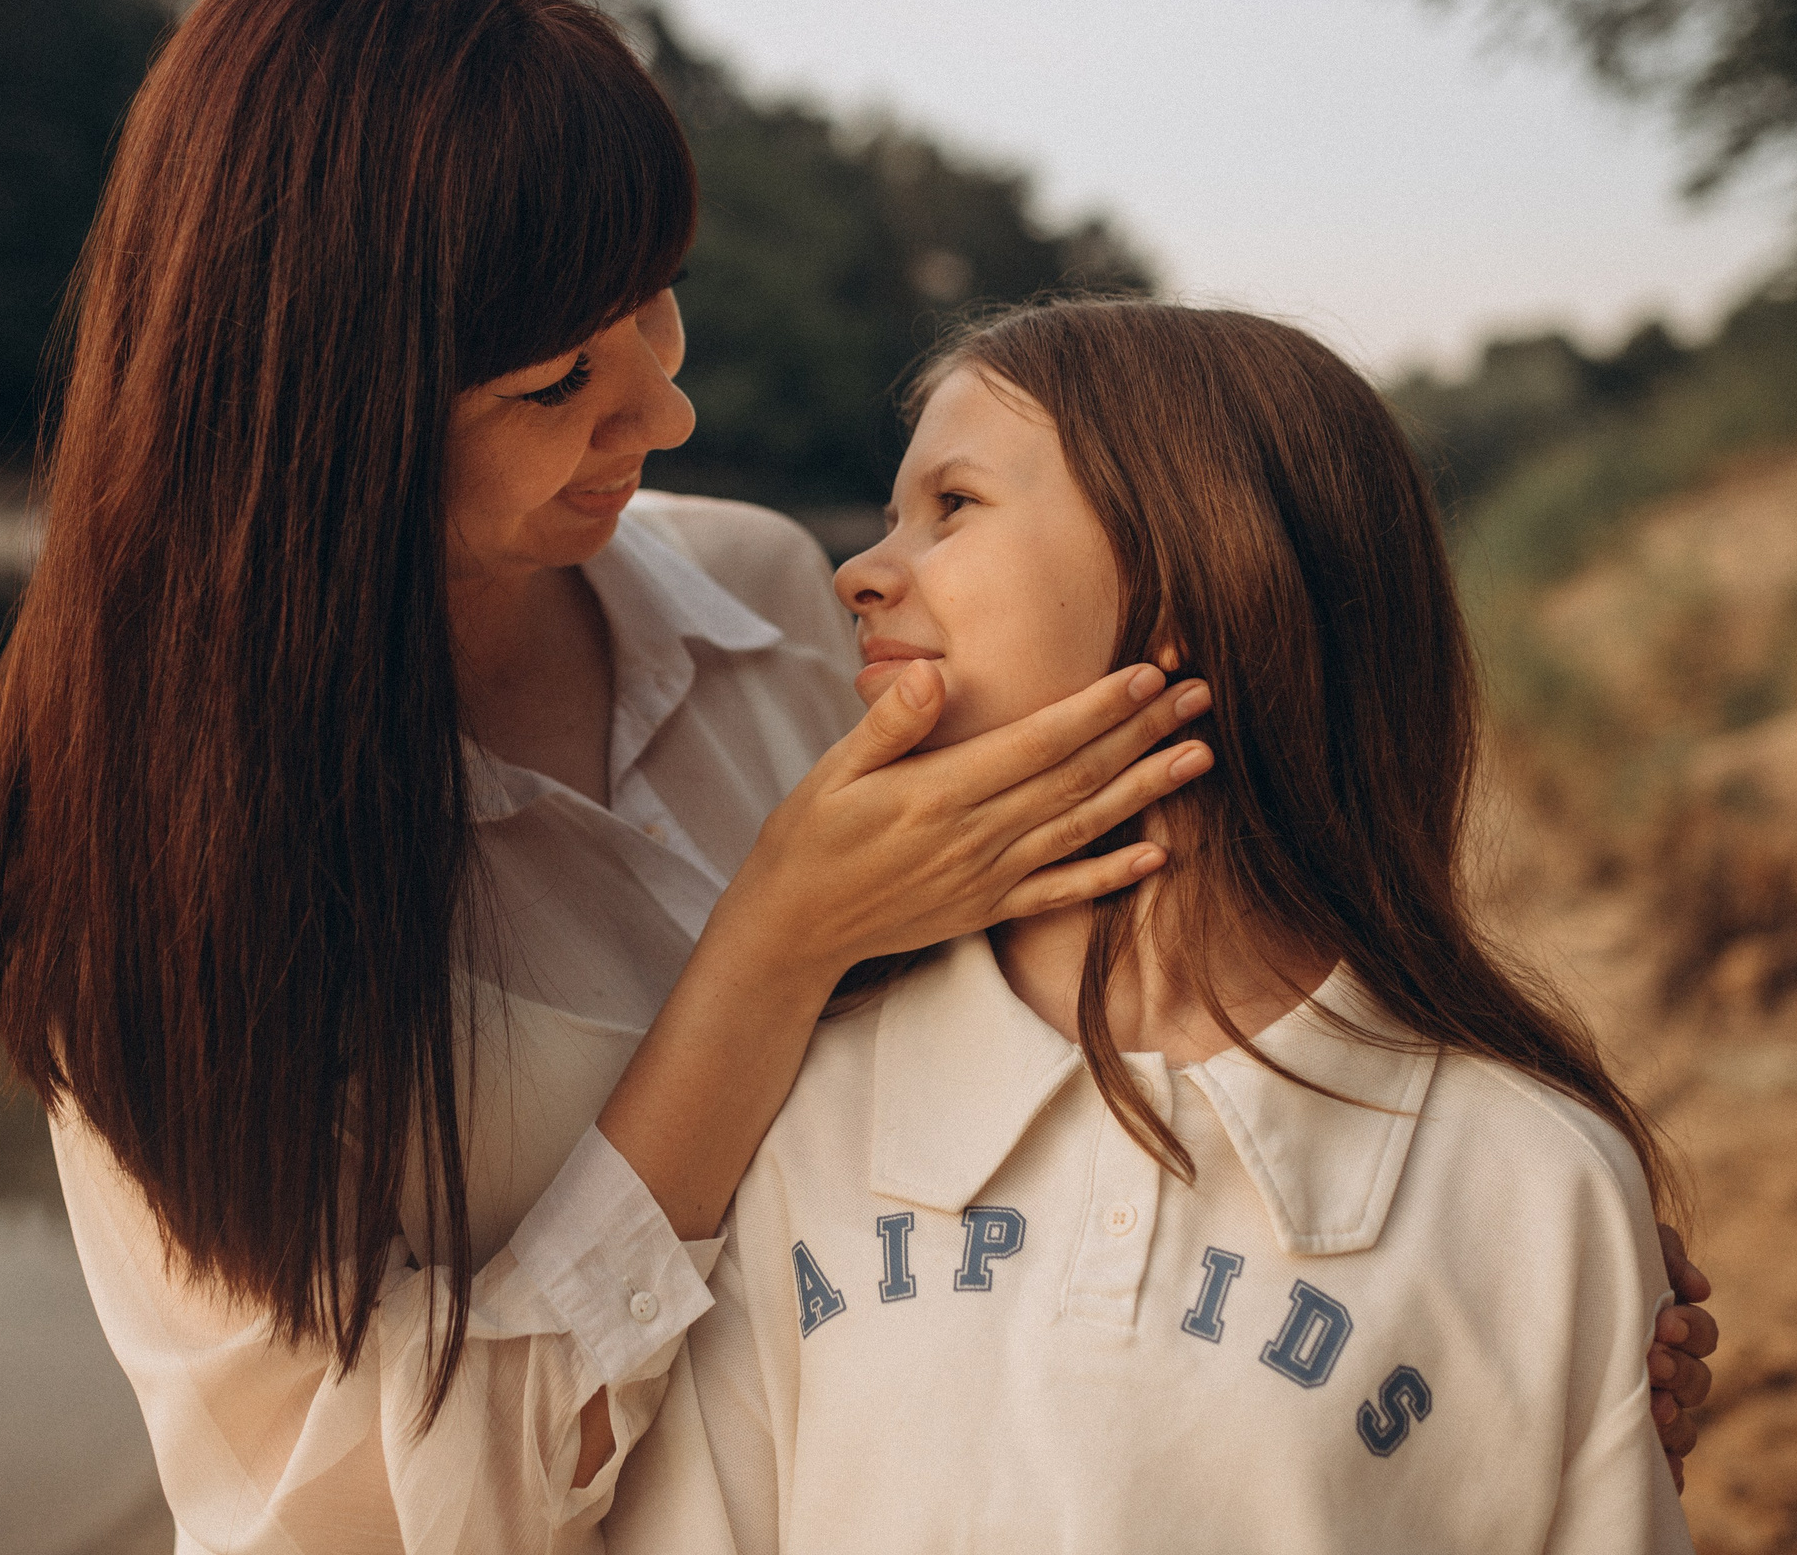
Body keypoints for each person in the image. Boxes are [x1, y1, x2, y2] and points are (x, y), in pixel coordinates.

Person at [0, 0, 1215, 1555]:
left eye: (659, 308)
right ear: (321, 410)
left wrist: (1482, 1283)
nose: (667, 413)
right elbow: (350, 1520)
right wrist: (769, 954)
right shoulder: (139, 871)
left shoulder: (766, 600)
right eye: (559, 381)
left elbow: (1107, 1006)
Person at [604, 300, 1701, 1554]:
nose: (860, 573)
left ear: (1188, 576)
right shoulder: (796, 1108)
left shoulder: (1536, 1180)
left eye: (952, 505)